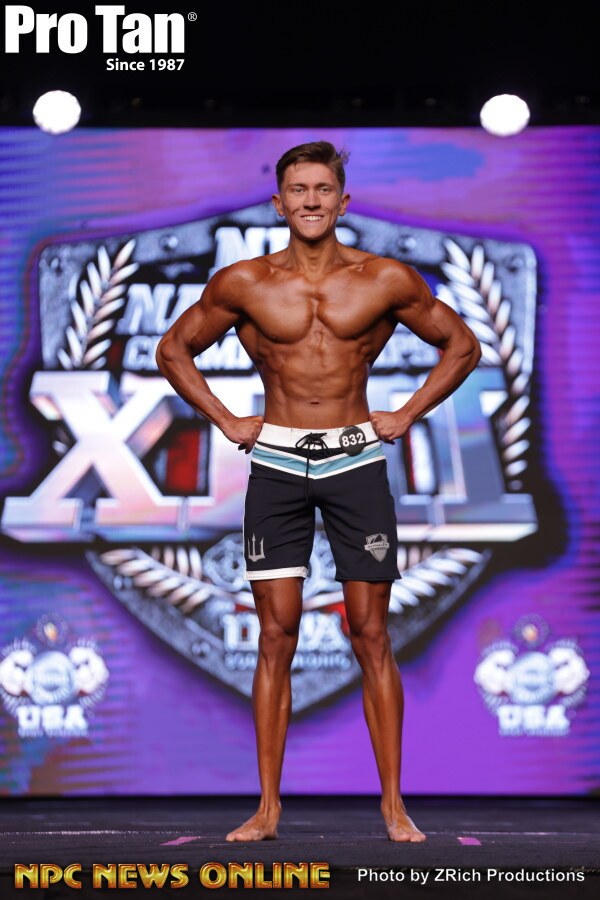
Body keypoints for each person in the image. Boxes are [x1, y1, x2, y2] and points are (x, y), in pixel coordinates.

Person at [156, 141, 481, 843]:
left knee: (370, 632)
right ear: (279, 204)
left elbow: (462, 345)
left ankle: (393, 806)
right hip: (276, 464)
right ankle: (267, 808)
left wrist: (408, 412)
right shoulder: (243, 283)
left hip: (355, 462)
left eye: (323, 189)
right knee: (276, 634)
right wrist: (226, 420)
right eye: (298, 190)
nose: (310, 200)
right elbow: (172, 349)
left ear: (343, 200)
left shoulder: (385, 278)